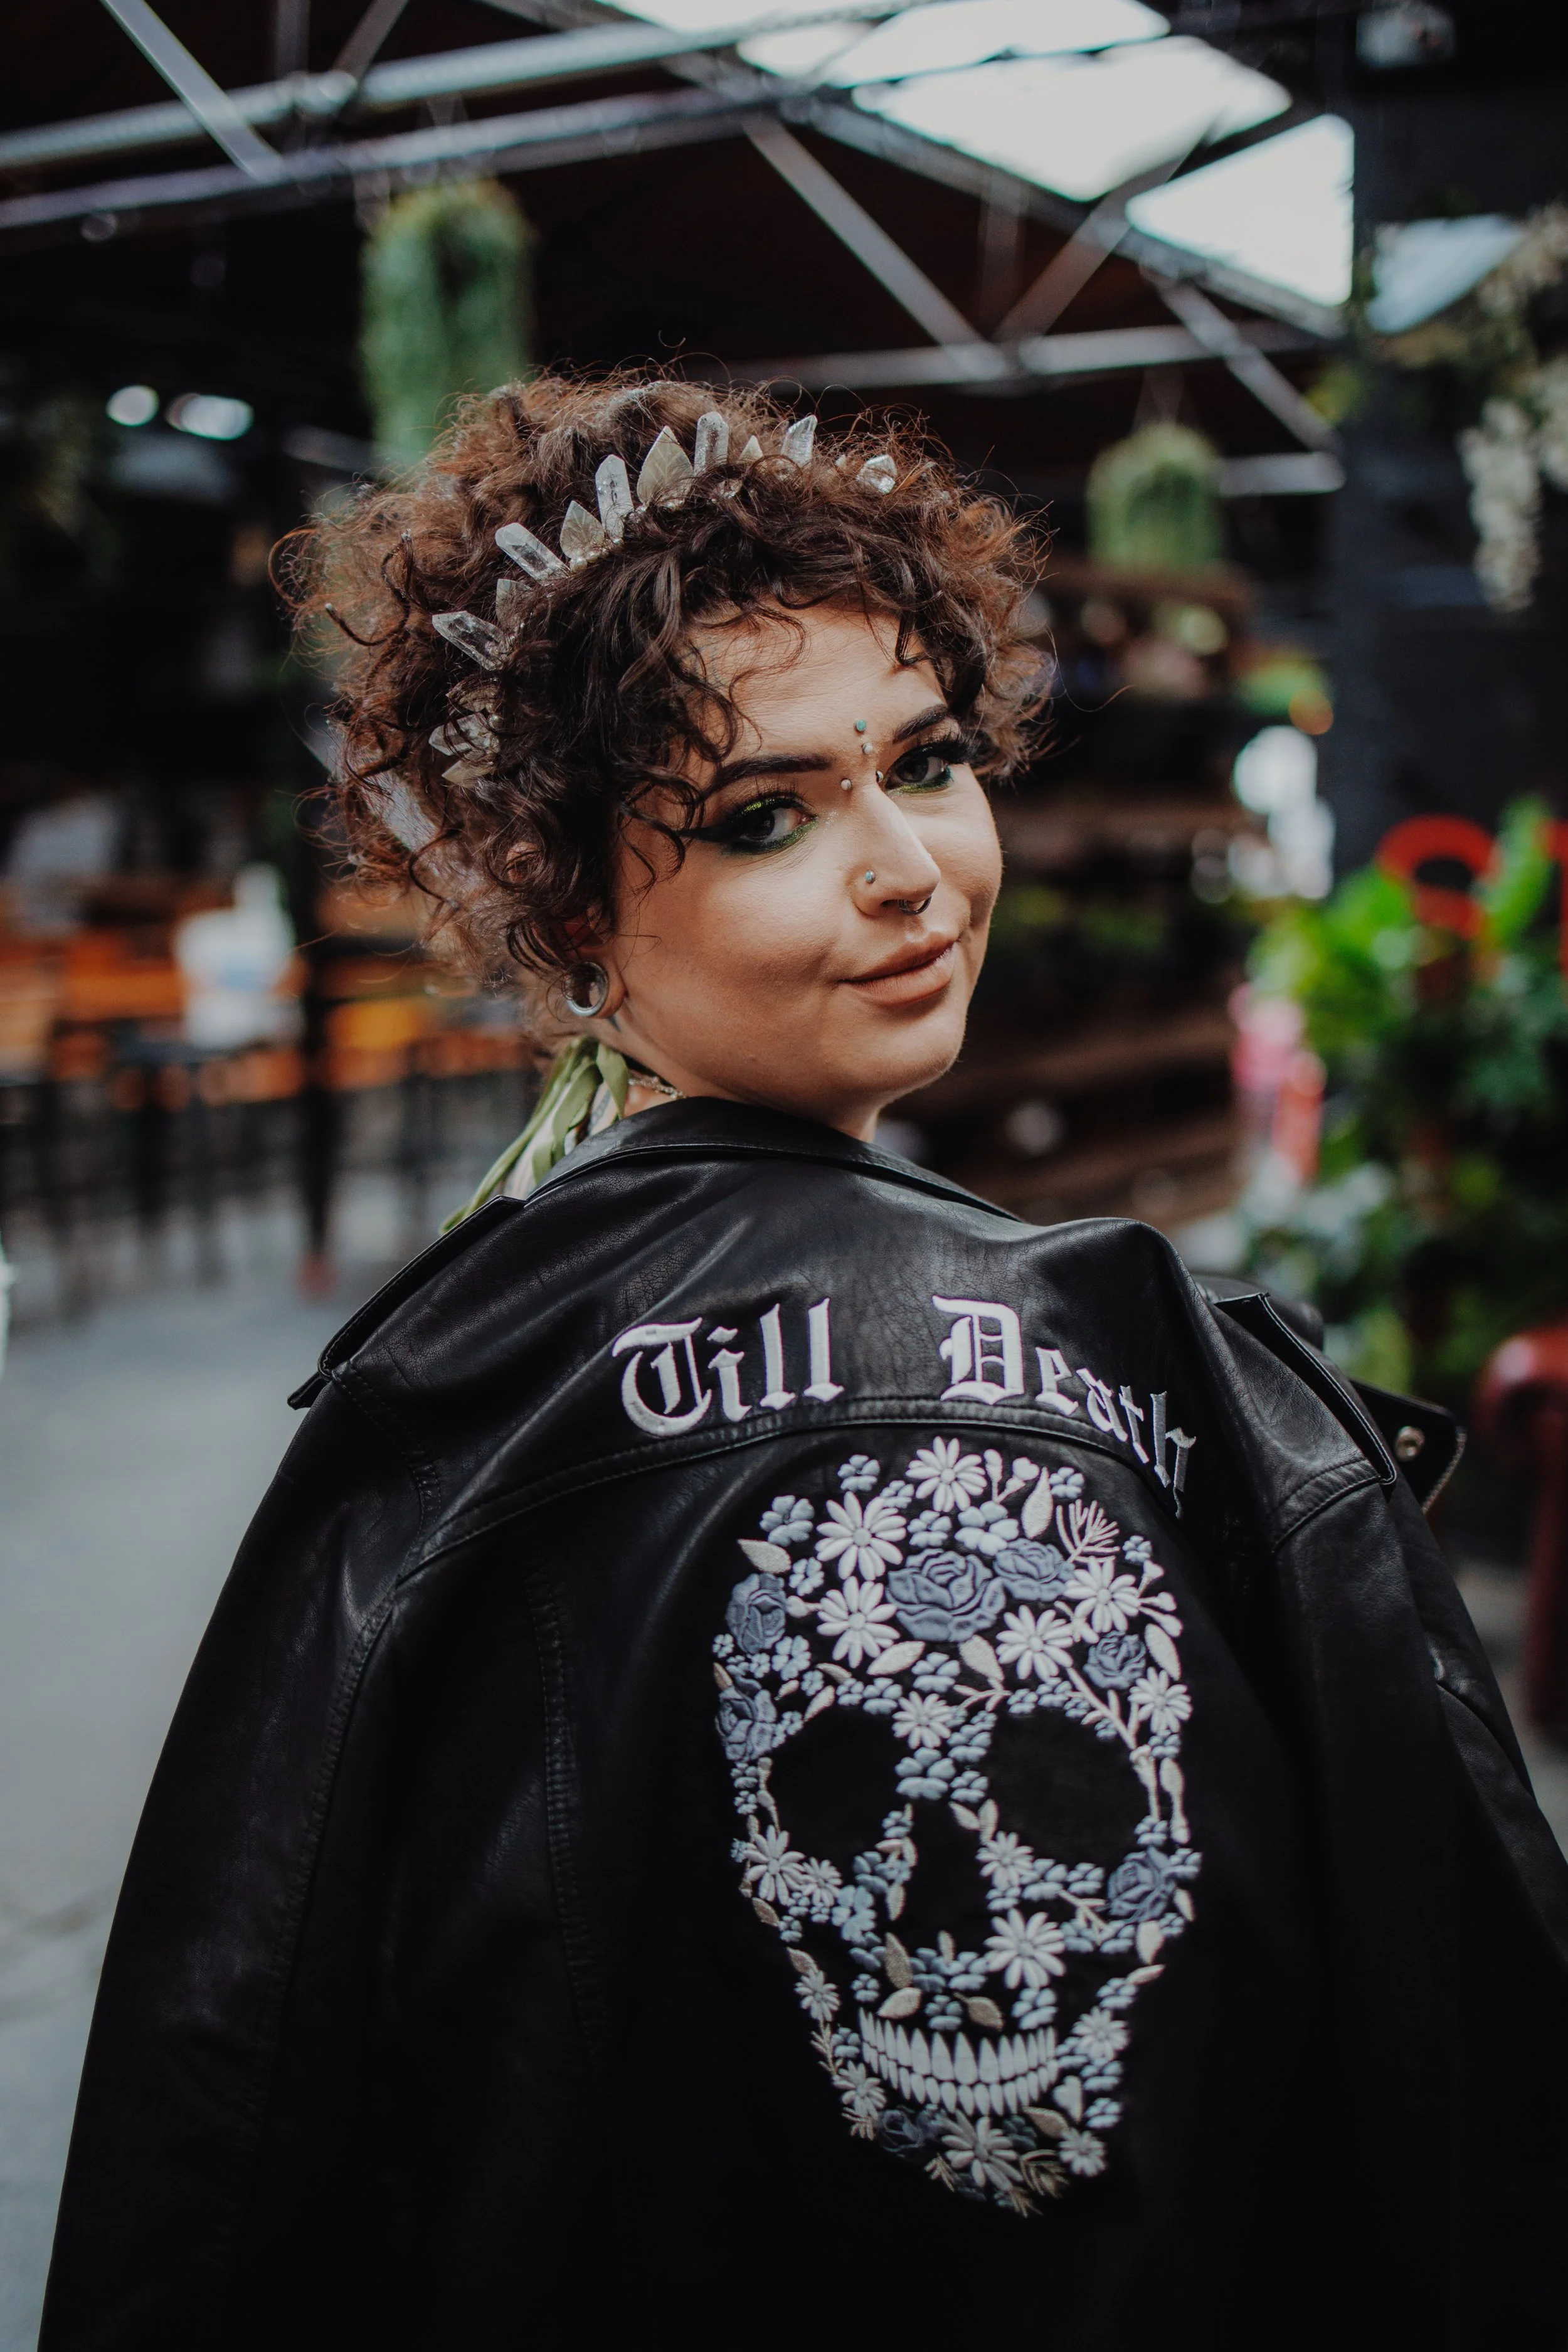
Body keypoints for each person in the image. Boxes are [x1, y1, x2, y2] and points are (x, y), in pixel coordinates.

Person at [42, 378, 1568, 2349]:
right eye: (765, 813)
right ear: (573, 907)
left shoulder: (422, 1416)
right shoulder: (1192, 1379)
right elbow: (1492, 2094)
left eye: (924, 763)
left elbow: (214, 2144)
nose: (908, 870)